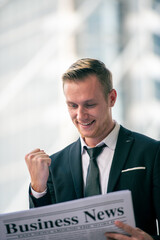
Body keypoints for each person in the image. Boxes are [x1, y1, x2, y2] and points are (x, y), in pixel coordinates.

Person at [25, 58, 160, 240]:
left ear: (111, 98)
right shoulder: (54, 166)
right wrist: (38, 189)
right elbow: (41, 235)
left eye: (89, 105)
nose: (80, 115)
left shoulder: (151, 153)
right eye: (73, 105)